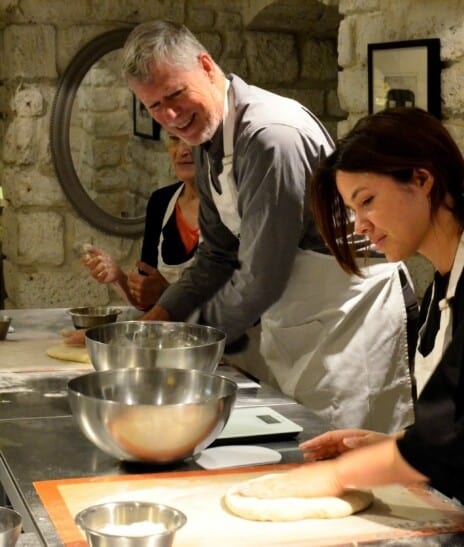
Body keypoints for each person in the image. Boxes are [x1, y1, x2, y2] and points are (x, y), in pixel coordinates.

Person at [235, 107, 464, 546]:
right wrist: (388, 445)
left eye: (367, 200)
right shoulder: (449, 276)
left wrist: (337, 476)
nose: (360, 225)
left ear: (423, 181)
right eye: (352, 209)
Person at [111, 19, 419, 431]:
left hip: (354, 315)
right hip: (301, 316)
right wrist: (149, 327)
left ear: (205, 65)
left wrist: (185, 344)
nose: (170, 115)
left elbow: (262, 277)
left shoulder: (270, 136)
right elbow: (216, 255)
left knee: (347, 458)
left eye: (176, 94)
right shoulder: (208, 137)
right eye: (153, 106)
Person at [80, 135, 199, 310]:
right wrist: (118, 276)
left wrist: (166, 291)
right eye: (174, 140)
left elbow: (239, 302)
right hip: (167, 335)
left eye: (191, 141)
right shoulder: (160, 202)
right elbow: (146, 300)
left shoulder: (230, 210)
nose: (182, 151)